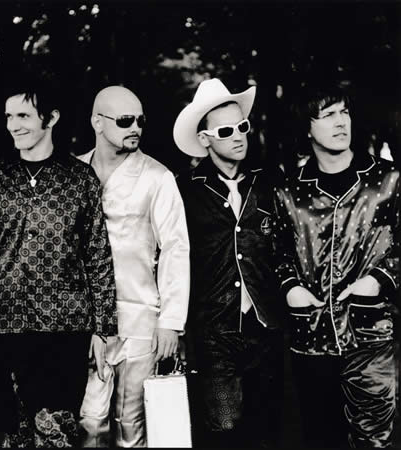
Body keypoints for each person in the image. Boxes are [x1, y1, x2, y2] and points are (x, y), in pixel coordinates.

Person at [0, 76, 117, 447]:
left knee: (57, 433)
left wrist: (103, 329)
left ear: (51, 118)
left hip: (66, 331)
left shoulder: (80, 180)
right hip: (6, 328)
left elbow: (98, 255)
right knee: (16, 436)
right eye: (8, 116)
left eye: (24, 115)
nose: (14, 125)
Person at [273, 81, 400, 448]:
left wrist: (378, 280)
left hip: (370, 333)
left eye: (344, 112)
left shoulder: (388, 180)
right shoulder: (289, 190)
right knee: (319, 438)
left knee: (373, 440)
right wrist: (291, 289)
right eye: (327, 115)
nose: (341, 121)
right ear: (307, 127)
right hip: (310, 335)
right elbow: (278, 251)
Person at [173, 78, 283, 448]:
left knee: (267, 430)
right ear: (204, 139)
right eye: (225, 131)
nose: (237, 137)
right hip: (214, 332)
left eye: (242, 126)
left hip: (265, 328)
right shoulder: (185, 190)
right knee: (224, 430)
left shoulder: (267, 184)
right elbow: (172, 258)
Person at [77, 86, 190, 447]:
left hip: (140, 318)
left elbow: (176, 247)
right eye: (125, 120)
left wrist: (171, 321)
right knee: (89, 422)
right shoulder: (72, 173)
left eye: (140, 120)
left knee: (131, 425)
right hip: (81, 320)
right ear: (98, 122)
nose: (136, 128)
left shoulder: (158, 176)